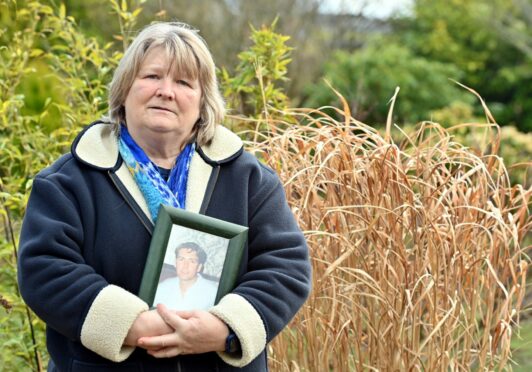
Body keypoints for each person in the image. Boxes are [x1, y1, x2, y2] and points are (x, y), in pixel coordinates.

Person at [17, 22, 311, 371]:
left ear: (203, 102)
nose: (166, 91)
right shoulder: (69, 180)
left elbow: (286, 266)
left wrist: (223, 329)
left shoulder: (248, 178)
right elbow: (44, 268)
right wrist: (133, 325)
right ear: (125, 89)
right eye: (152, 76)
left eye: (184, 82)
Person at [153, 242, 218, 311]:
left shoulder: (213, 292)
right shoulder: (162, 287)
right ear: (175, 263)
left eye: (192, 261)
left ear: (199, 267)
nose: (185, 266)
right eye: (181, 259)